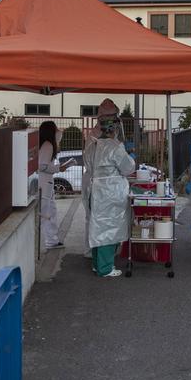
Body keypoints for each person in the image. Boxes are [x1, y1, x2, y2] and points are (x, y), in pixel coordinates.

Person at [84, 116, 136, 278]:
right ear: (114, 129)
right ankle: (105, 268)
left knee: (97, 227)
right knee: (110, 229)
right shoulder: (115, 147)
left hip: (96, 190)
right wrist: (130, 156)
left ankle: (97, 264)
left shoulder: (92, 145)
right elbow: (128, 168)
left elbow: (88, 165)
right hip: (111, 193)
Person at [82, 98, 124, 260]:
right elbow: (93, 162)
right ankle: (94, 253)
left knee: (102, 220)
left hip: (102, 184)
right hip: (97, 183)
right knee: (95, 220)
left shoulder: (108, 134)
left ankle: (99, 254)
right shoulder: (95, 137)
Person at [37, 121, 70, 250]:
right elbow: (42, 165)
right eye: (56, 129)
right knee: (47, 213)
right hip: (44, 183)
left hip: (45, 183)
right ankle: (50, 241)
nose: (59, 131)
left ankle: (52, 240)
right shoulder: (48, 145)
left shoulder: (45, 144)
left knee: (50, 211)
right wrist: (58, 168)